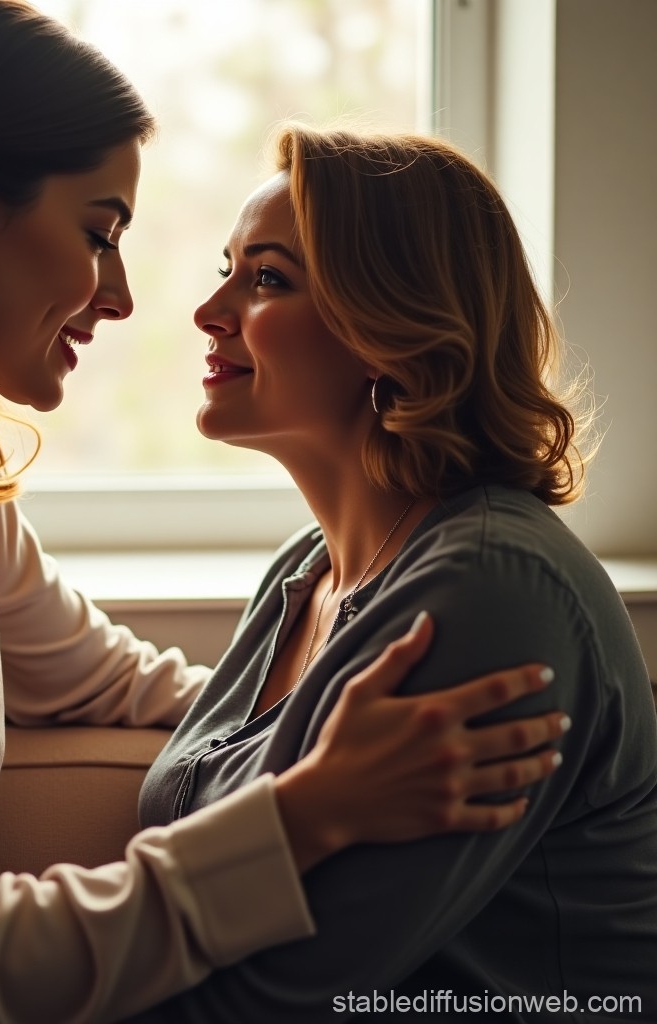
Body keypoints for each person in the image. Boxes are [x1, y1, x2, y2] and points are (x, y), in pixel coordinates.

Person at [0, 4, 567, 1023]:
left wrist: (333, 700)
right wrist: (303, 809)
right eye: (98, 232)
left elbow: (128, 684)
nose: (123, 297)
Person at [134, 125, 657, 1022]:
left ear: (390, 328)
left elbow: (294, 994)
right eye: (227, 267)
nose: (208, 311)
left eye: (266, 278)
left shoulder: (496, 592)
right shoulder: (303, 576)